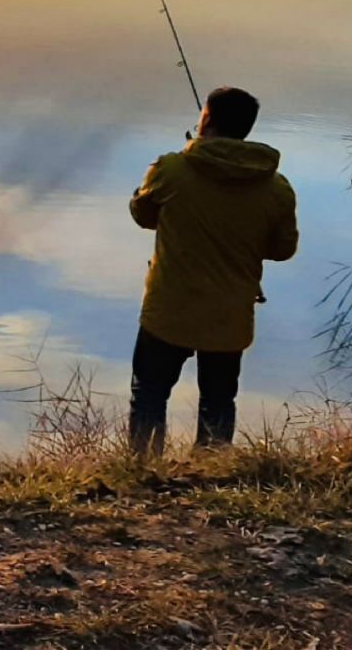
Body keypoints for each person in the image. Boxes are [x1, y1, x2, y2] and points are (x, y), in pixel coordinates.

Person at [127, 86, 298, 455]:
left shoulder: (170, 169)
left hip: (168, 310)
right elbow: (283, 250)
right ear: (247, 129)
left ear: (206, 119)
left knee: (149, 395)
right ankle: (210, 475)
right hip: (229, 315)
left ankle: (142, 471)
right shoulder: (277, 188)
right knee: (218, 401)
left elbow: (143, 215)